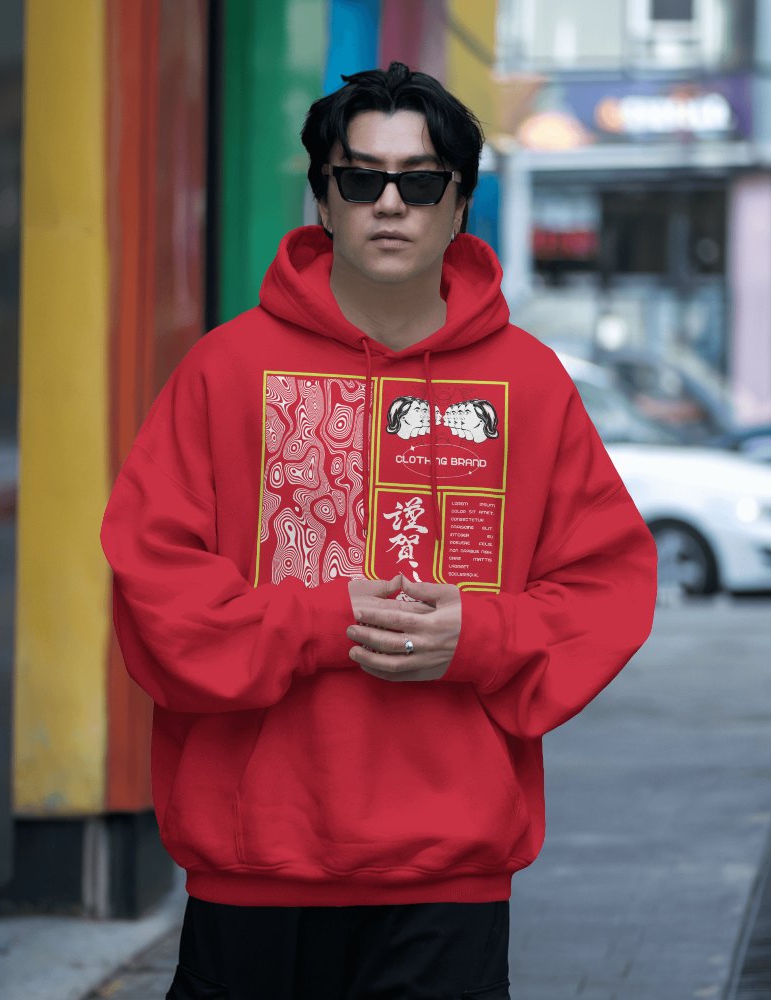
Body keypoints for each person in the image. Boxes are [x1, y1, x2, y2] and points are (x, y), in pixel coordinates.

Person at [99, 61, 657, 1000]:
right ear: (322, 198)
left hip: (452, 875)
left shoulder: (528, 384)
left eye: (420, 181)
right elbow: (156, 593)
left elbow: (607, 587)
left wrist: (477, 636)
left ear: (461, 203)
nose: (389, 204)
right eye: (360, 178)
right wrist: (321, 622)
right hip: (255, 867)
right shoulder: (223, 371)